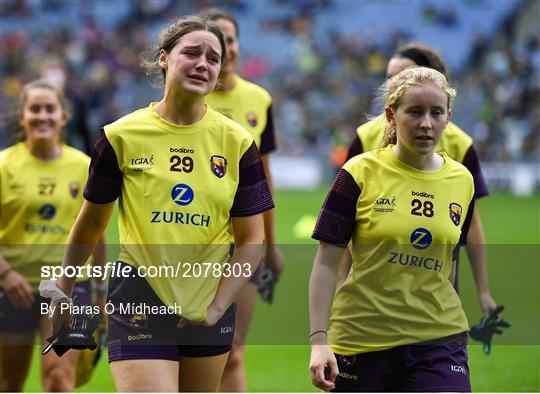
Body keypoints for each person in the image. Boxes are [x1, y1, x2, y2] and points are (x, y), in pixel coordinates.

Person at [47, 16, 274, 392]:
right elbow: (89, 226)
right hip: (139, 298)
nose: (203, 63)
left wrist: (217, 307)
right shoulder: (120, 136)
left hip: (208, 304)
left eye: (213, 58)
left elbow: (252, 240)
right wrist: (63, 291)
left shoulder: (238, 143)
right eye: (192, 53)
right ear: (164, 58)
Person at [309, 67, 475, 392]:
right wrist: (318, 340)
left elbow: (450, 262)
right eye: (415, 112)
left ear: (448, 116)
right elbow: (326, 263)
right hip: (362, 339)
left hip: (439, 338)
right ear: (391, 114)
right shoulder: (357, 173)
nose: (426, 123)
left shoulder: (461, 180)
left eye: (436, 113)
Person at [343, 43, 497, 315]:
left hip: (435, 278)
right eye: (390, 77)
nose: (395, 83)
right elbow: (343, 225)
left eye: (404, 75)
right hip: (373, 284)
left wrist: (483, 290)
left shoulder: (460, 145)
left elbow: (470, 223)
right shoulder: (366, 136)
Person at [0, 79, 106, 392]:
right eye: (34, 109)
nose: (42, 116)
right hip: (14, 289)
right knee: (9, 383)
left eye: (50, 109)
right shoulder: (4, 165)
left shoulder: (84, 166)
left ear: (63, 117)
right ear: (22, 117)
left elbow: (96, 234)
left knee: (60, 380)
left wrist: (99, 293)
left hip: (69, 289)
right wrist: (6, 274)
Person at [199, 8, 284, 392]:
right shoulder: (188, 95)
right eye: (215, 39)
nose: (225, 46)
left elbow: (263, 177)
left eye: (229, 38)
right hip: (193, 240)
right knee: (193, 350)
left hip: (242, 241)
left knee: (233, 351)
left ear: (237, 45)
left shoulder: (259, 99)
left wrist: (272, 243)